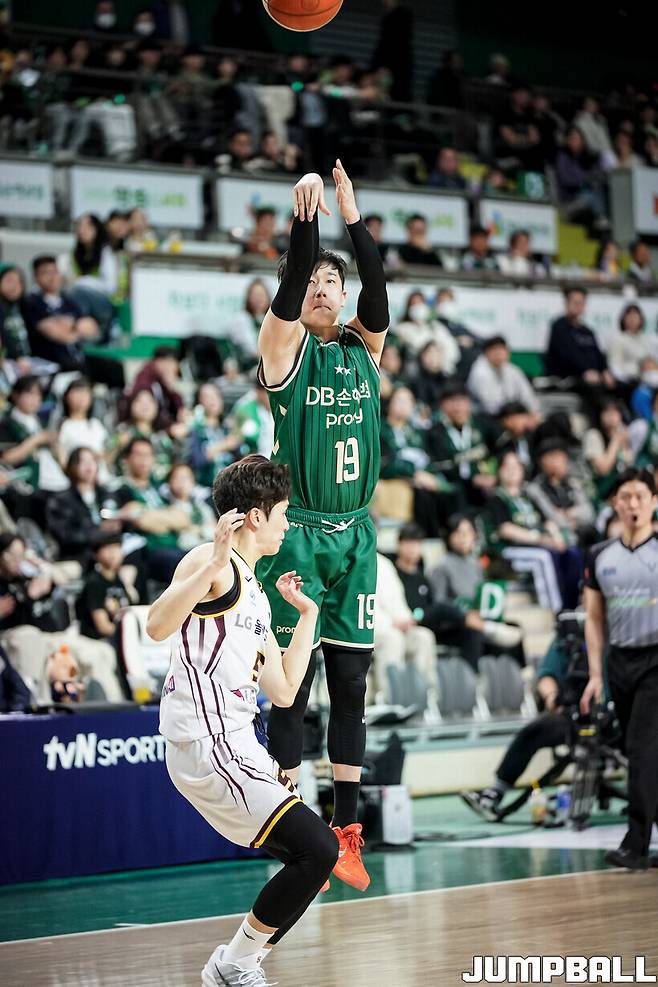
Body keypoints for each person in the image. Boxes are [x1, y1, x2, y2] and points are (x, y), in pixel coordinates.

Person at [150, 454, 338, 985]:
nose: (288, 524)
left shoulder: (255, 591)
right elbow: (156, 625)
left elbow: (283, 690)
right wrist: (211, 562)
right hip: (208, 740)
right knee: (318, 849)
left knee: (315, 860)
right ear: (256, 516)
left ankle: (236, 963)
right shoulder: (210, 562)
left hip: (239, 741)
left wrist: (308, 616)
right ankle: (233, 964)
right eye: (283, 514)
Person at [256, 161, 390, 891]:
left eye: (332, 281)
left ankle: (347, 831)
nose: (322, 287)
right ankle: (286, 820)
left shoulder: (364, 348)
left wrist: (352, 216)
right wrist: (306, 221)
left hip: (357, 534)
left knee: (352, 684)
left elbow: (380, 289)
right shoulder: (284, 349)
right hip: (300, 533)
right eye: (310, 281)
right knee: (292, 685)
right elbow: (291, 286)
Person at [581, 468, 658, 869]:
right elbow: (594, 619)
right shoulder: (600, 556)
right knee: (639, 751)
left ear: (654, 502)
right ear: (615, 503)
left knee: (643, 750)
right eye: (626, 496)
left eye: (640, 496)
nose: (633, 504)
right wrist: (596, 674)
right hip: (621, 661)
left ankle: (636, 843)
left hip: (656, 660)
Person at [463, 625, 585, 820]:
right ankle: (496, 793)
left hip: (616, 712)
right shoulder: (569, 632)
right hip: (573, 713)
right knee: (536, 729)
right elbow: (546, 674)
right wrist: (552, 697)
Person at [484, 451, 583, 612]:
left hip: (539, 544)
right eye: (507, 466)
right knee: (544, 557)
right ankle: (555, 612)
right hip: (509, 550)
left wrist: (557, 538)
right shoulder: (497, 498)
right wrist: (540, 539)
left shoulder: (527, 496)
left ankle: (573, 606)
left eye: (516, 466)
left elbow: (547, 522)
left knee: (572, 553)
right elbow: (506, 529)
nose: (512, 470)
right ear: (499, 471)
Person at [46, 447, 119, 569]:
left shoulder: (106, 494)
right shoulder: (61, 500)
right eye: (83, 461)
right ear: (72, 467)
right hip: (77, 556)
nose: (89, 466)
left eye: (92, 461)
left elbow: (117, 521)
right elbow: (64, 535)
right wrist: (98, 532)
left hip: (111, 552)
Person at [545, 287, 615, 409]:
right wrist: (585, 371)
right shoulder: (559, 327)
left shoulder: (587, 331)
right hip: (568, 377)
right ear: (566, 303)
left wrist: (605, 370)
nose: (579, 306)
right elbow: (567, 355)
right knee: (594, 388)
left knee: (619, 386)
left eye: (581, 303)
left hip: (593, 376)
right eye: (575, 302)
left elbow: (598, 354)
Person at [76, 530, 134, 645]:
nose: (113, 553)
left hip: (119, 639)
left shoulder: (119, 580)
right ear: (96, 554)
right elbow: (103, 627)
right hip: (97, 642)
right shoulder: (94, 583)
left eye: (116, 547)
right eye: (107, 548)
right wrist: (131, 634)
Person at [467, 335, 540, 416]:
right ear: (486, 353)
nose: (498, 354)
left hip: (511, 413)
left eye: (501, 350)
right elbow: (491, 407)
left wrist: (533, 412)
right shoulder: (480, 371)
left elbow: (528, 396)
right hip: (484, 416)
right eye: (494, 350)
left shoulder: (512, 369)